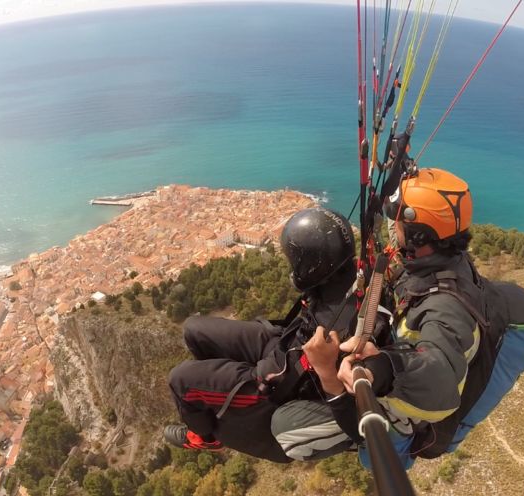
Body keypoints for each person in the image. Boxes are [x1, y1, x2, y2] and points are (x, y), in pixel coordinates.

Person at [164, 207, 389, 463]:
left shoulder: (349, 334)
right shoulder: (352, 277)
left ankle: (204, 436)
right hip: (282, 343)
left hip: (276, 384)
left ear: (314, 265)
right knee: (194, 330)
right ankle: (216, 399)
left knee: (180, 380)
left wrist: (330, 373)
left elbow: (357, 420)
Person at [302, 168, 480, 468]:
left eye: (397, 222)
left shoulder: (446, 306)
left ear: (419, 235)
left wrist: (384, 367)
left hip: (406, 409)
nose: (392, 227)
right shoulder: (438, 263)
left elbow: (439, 372)